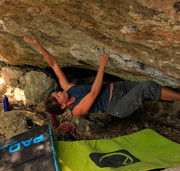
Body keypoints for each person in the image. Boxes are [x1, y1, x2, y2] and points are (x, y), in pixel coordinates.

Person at [24, 36, 180, 121]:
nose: (59, 92)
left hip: (118, 88)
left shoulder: (68, 89)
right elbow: (94, 92)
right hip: (117, 105)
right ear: (63, 105)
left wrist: (38, 45)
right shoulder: (77, 110)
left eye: (56, 93)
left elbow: (54, 66)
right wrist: (102, 65)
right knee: (147, 87)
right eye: (58, 96)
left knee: (150, 88)